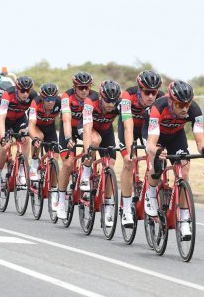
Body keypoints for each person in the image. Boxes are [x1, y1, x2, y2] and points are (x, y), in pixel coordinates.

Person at [143, 80, 204, 239]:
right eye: (180, 105)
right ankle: (151, 194)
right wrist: (156, 151)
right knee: (155, 160)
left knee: (184, 169)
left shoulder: (195, 110)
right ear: (171, 101)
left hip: (176, 136)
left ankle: (183, 220)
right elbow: (151, 144)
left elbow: (200, 139)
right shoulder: (158, 108)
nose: (184, 108)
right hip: (156, 135)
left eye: (187, 105)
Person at [118, 70, 164, 227]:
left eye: (154, 92)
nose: (151, 96)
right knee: (129, 162)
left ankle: (152, 194)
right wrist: (131, 150)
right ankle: (125, 209)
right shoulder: (127, 96)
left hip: (147, 129)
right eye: (147, 92)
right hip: (129, 127)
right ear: (139, 89)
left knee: (154, 155)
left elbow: (158, 130)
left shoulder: (162, 99)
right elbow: (128, 127)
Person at [81, 80, 124, 227]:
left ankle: (108, 205)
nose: (111, 105)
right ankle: (86, 173)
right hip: (89, 128)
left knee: (110, 164)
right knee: (95, 141)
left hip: (106, 130)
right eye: (107, 101)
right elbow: (87, 128)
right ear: (100, 97)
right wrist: (87, 152)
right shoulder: (89, 101)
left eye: (114, 101)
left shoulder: (119, 105)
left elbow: (127, 124)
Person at [56, 72, 97, 219]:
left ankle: (86, 173)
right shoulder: (67, 97)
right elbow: (66, 120)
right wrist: (68, 138)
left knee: (94, 141)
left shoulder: (94, 97)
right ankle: (60, 200)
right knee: (67, 164)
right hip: (68, 129)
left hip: (83, 128)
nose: (84, 91)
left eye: (87, 88)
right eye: (81, 88)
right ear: (74, 87)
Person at [0, 76, 36, 192]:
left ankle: (22, 170)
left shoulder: (33, 96)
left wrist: (29, 131)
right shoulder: (8, 94)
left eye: (28, 91)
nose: (25, 94)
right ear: (17, 89)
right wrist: (2, 137)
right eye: (23, 91)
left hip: (19, 119)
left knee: (26, 139)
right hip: (5, 120)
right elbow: (1, 118)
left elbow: (32, 118)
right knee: (4, 145)